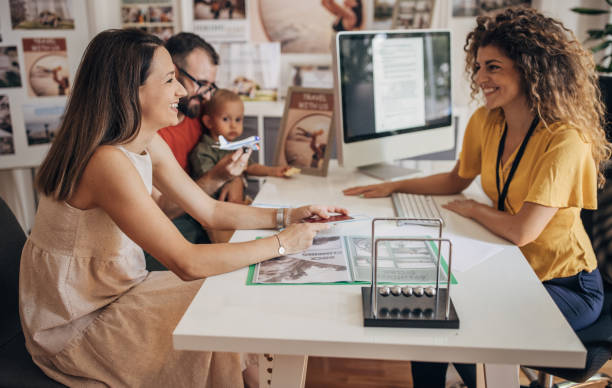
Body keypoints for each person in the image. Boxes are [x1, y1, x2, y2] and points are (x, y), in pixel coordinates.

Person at [21, 28, 346, 387]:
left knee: (236, 295)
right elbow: (187, 262)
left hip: (121, 292)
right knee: (229, 309)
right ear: (131, 90)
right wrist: (284, 242)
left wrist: (288, 215)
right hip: (80, 324)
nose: (182, 91)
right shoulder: (106, 163)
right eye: (170, 80)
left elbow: (210, 211)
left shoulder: (144, 141)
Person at [343, 7, 612, 387]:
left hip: (563, 284)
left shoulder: (565, 139)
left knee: (465, 323)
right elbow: (456, 178)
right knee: (430, 311)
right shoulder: (488, 120)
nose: (480, 77)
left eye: (493, 67)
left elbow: (522, 231)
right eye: (479, 66)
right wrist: (396, 185)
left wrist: (473, 209)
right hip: (510, 266)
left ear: (529, 68)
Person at [154, 32, 248, 255]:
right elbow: (163, 210)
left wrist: (235, 178)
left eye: (211, 86)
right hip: (178, 219)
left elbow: (227, 147)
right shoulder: (153, 128)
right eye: (201, 83)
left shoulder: (200, 111)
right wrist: (218, 177)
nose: (207, 96)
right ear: (173, 73)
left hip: (206, 208)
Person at [190, 89, 289, 204]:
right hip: (211, 205)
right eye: (225, 119)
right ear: (208, 122)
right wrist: (235, 181)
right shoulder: (203, 151)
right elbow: (208, 182)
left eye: (238, 120)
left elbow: (250, 166)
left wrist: (272, 171)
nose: (233, 125)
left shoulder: (237, 146)